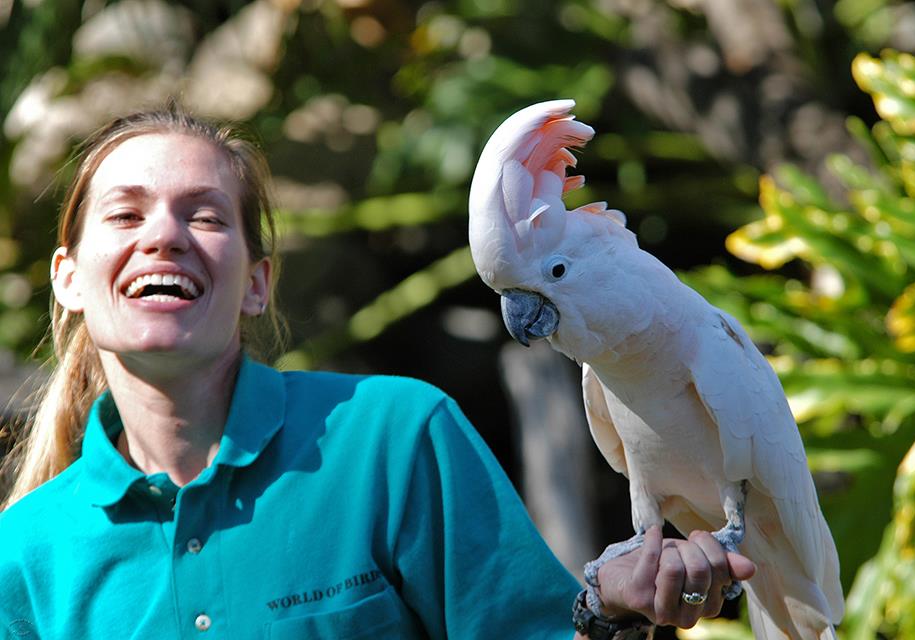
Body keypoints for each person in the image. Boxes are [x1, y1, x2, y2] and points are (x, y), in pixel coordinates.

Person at [0, 107, 754, 639]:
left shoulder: (395, 435)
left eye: (204, 216)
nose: (164, 235)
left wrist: (610, 613)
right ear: (67, 278)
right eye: (126, 215)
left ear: (258, 284)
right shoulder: (23, 552)